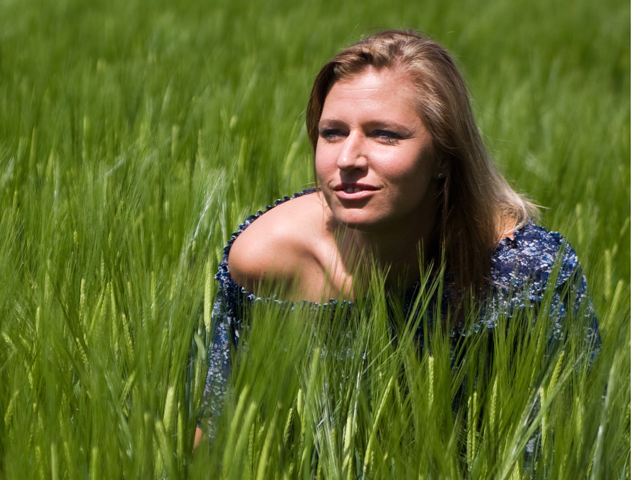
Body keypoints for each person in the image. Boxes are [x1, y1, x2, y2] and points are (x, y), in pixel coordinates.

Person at [194, 30, 598, 445]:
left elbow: (575, 443)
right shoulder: (271, 258)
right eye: (332, 132)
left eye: (385, 134)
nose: (348, 159)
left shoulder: (526, 273)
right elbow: (218, 433)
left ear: (444, 155)